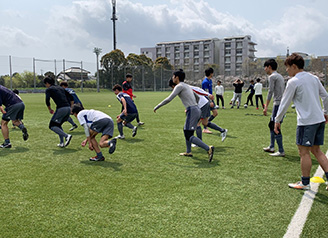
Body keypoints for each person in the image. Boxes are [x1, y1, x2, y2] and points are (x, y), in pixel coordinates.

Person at [274, 53, 328, 190]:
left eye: (287, 67)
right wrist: (326, 113)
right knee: (317, 150)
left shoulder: (293, 81)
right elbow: (325, 96)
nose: (287, 70)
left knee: (304, 152)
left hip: (307, 122)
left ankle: (304, 183)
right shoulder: (314, 78)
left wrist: (277, 120)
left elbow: (284, 103)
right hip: (319, 120)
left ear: (293, 66)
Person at [154, 69, 214, 162]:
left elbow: (169, 99)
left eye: (173, 76)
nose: (172, 78)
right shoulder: (186, 86)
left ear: (176, 77)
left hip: (192, 110)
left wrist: (157, 106)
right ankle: (188, 151)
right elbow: (197, 97)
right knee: (186, 130)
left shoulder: (179, 86)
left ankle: (208, 148)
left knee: (188, 134)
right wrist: (195, 106)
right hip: (196, 109)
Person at [263, 59, 285, 157]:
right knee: (271, 125)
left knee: (275, 126)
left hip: (278, 104)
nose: (264, 69)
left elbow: (270, 91)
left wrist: (266, 106)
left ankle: (281, 150)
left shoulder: (272, 77)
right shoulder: (280, 76)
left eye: (265, 67)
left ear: (269, 67)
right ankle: (272, 146)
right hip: (282, 103)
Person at [44, 77, 73, 148]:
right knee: (58, 125)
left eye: (45, 84)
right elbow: (71, 97)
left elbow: (47, 100)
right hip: (68, 108)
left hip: (61, 108)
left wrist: (50, 109)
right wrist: (72, 108)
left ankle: (67, 136)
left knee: (52, 126)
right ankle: (61, 143)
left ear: (47, 83)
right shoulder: (61, 88)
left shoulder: (49, 89)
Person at [202, 67, 218, 133]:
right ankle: (205, 128)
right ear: (211, 73)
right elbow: (205, 93)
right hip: (207, 100)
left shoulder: (210, 80)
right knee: (206, 115)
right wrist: (210, 102)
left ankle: (206, 125)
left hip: (210, 99)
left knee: (215, 113)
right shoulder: (205, 82)